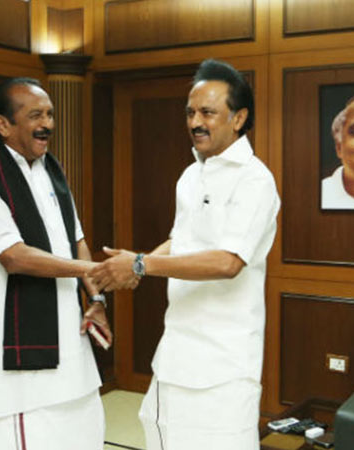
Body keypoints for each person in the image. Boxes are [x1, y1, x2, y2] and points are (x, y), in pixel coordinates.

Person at [89, 59, 281, 450]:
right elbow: (181, 239)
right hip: (176, 351)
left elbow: (228, 262)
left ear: (239, 118)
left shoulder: (255, 180)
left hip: (225, 363)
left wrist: (141, 263)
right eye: (190, 113)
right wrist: (135, 267)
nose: (195, 122)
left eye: (208, 113)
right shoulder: (191, 175)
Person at [0, 77, 112, 450]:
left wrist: (97, 299)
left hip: (70, 347)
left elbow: (76, 241)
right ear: (3, 124)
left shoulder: (51, 170)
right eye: (35, 115)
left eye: (50, 115)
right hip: (9, 364)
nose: (48, 124)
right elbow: (14, 256)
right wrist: (95, 271)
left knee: (86, 438)